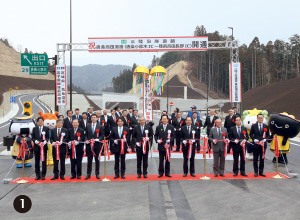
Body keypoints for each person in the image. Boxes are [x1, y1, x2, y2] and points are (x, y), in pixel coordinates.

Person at [85, 114, 104, 180]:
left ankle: (97, 173)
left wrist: (98, 139)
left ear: (96, 119)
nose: (93, 118)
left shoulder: (100, 126)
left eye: (94, 117)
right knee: (89, 160)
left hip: (97, 145)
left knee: (97, 160)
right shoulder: (88, 126)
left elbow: (102, 135)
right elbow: (86, 135)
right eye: (92, 117)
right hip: (89, 145)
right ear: (91, 118)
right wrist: (86, 140)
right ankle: (88, 173)